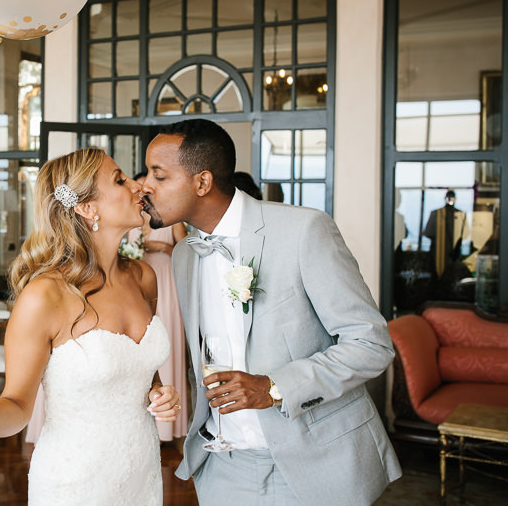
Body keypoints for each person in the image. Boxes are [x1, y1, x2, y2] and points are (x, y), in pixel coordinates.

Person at [139, 119, 401, 506]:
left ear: (202, 182)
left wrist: (274, 387)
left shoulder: (304, 230)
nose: (144, 185)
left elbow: (371, 343)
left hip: (313, 463)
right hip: (222, 467)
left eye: (158, 175)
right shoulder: (184, 255)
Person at [0, 147, 181, 506]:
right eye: (120, 180)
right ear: (88, 208)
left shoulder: (143, 277)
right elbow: (17, 407)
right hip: (74, 483)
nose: (138, 186)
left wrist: (158, 394)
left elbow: (142, 372)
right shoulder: (44, 297)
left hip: (142, 474)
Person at [127, 171, 189, 441]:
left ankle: (168, 425)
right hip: (136, 281)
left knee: (167, 342)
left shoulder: (169, 217)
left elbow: (187, 249)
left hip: (165, 279)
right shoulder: (128, 219)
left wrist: (161, 249)